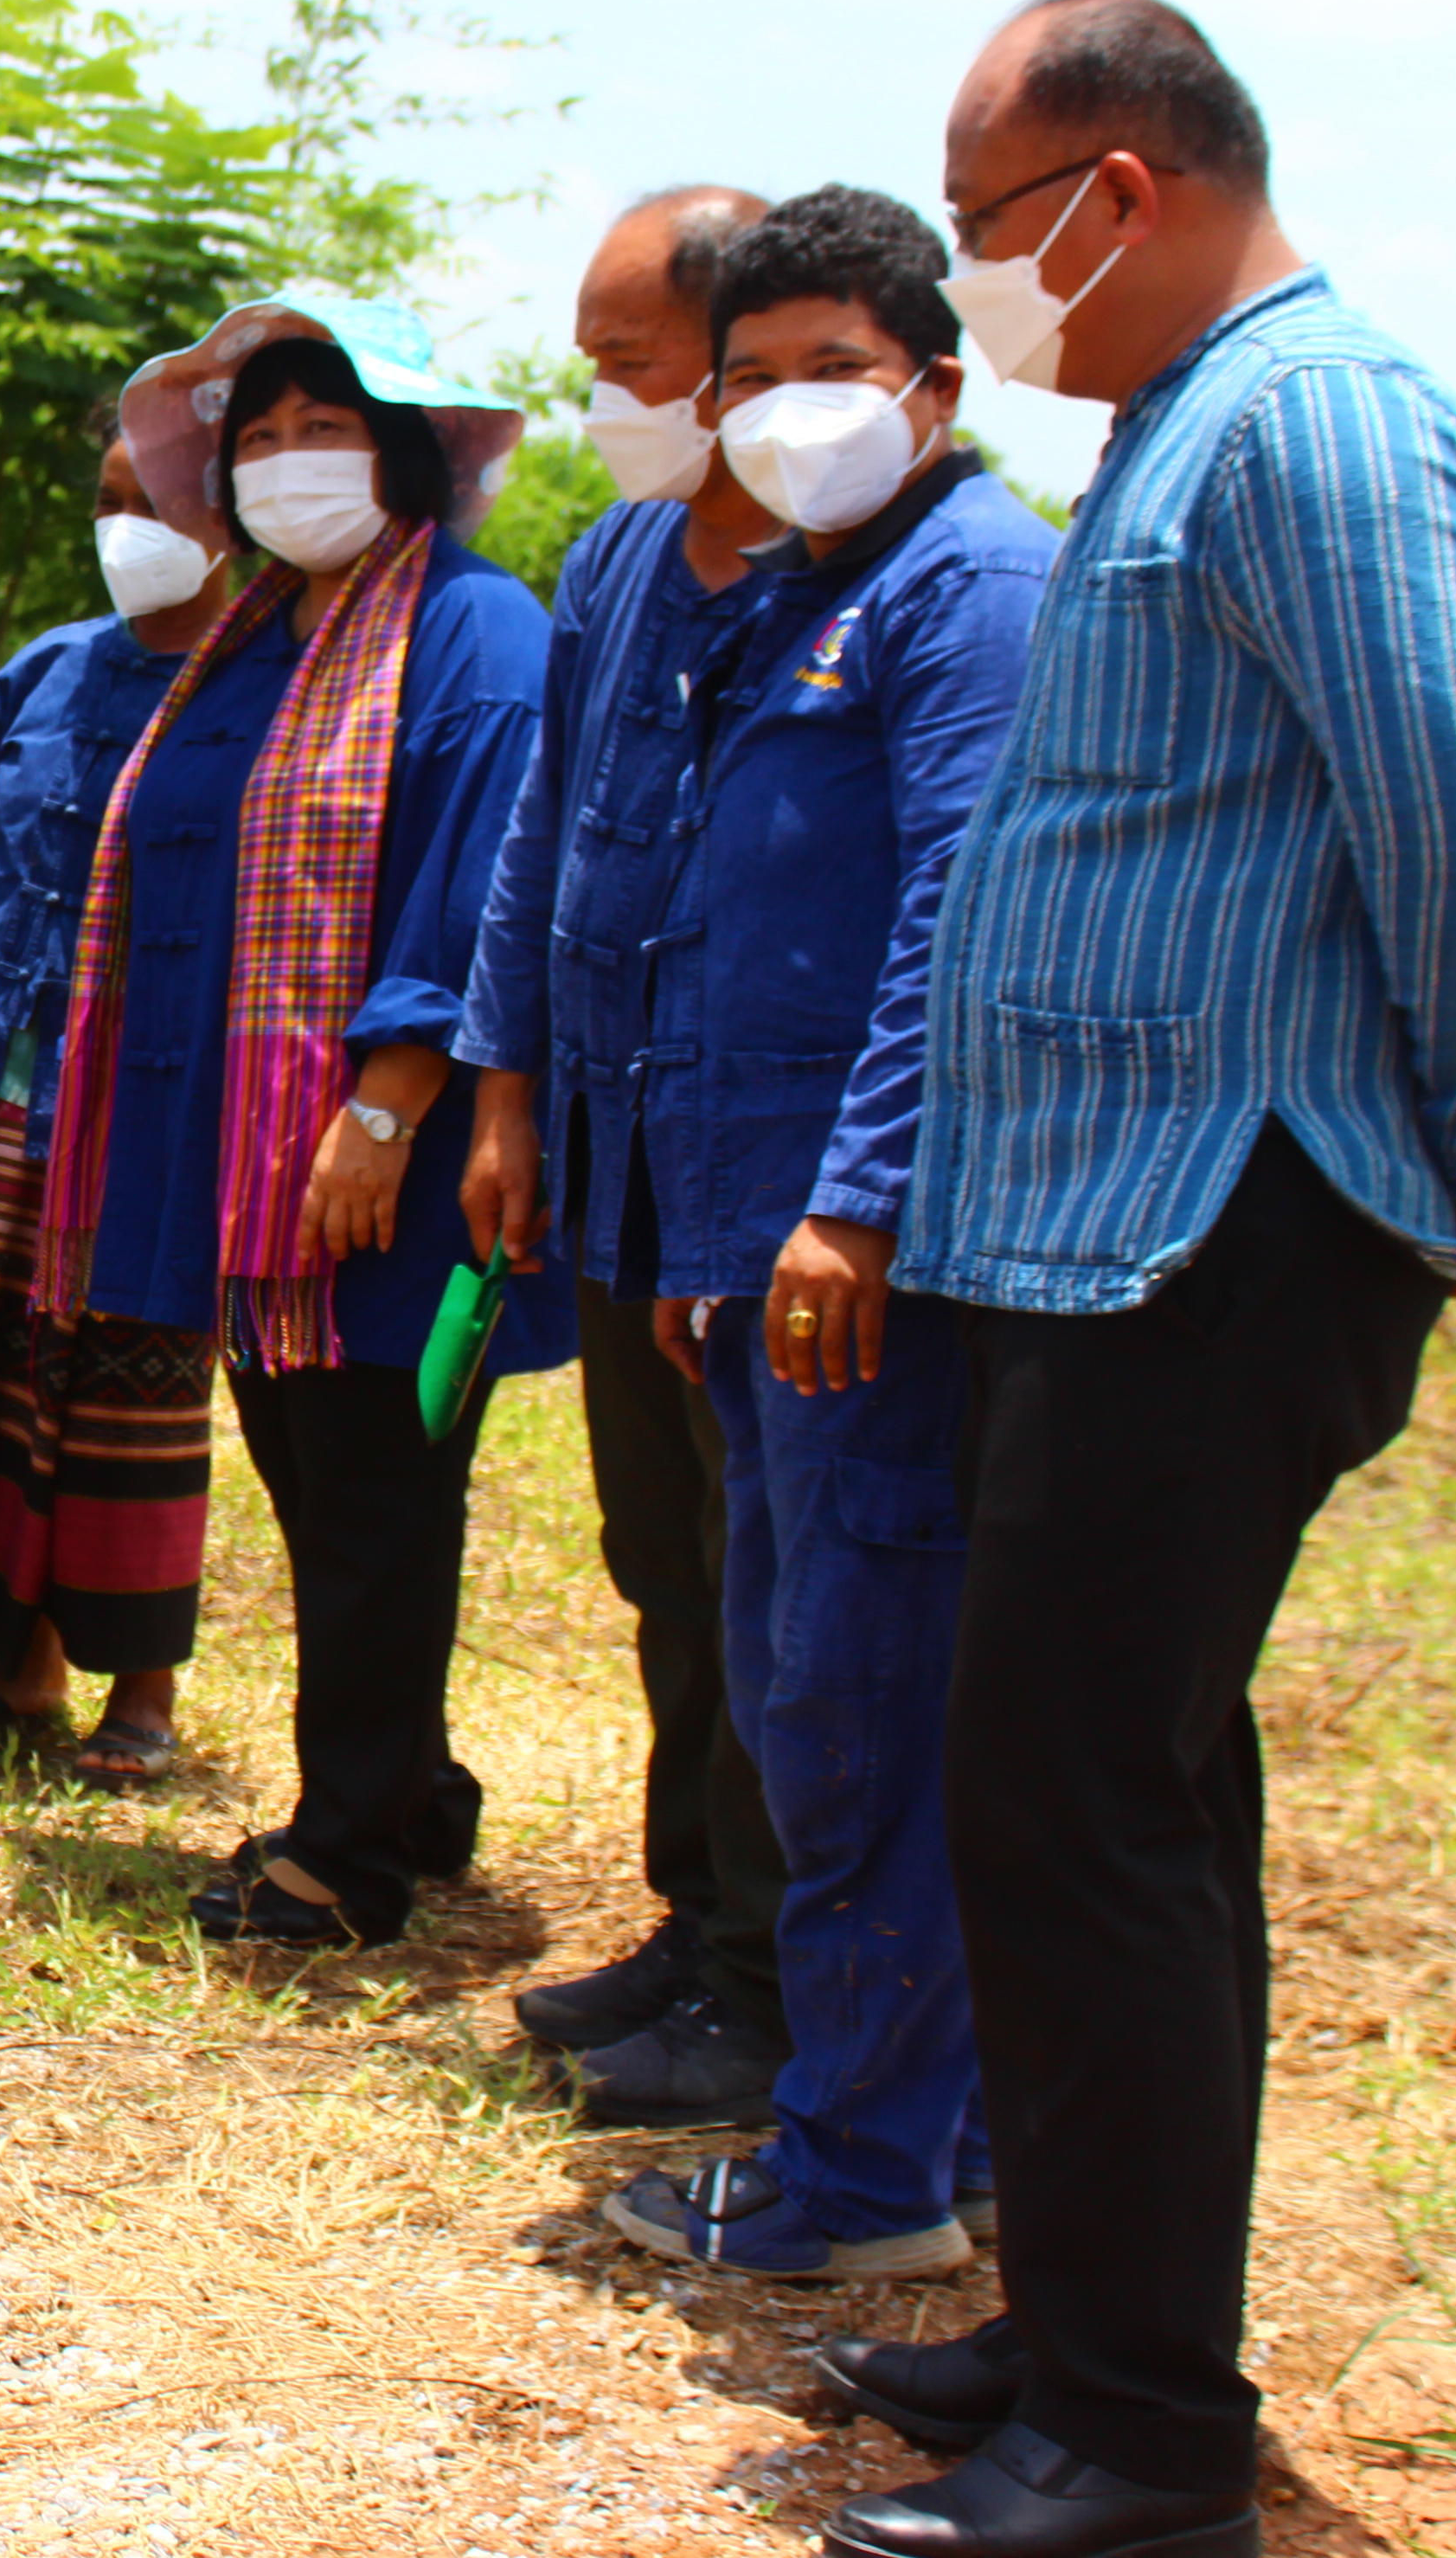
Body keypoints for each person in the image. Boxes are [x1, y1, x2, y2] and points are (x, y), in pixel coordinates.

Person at [812, 0, 1456, 2558]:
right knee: (1086, 1798)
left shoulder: (1314, 419)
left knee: (1086, 1804)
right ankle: (1085, 2319)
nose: (975, 284)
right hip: (1107, 1224)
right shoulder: (1179, 426)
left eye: (980, 226)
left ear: (1115, 194)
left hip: (1221, 1220)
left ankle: (1142, 2446)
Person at [541, 185, 1057, 2286]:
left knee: (854, 1705)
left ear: (932, 382)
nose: (779, 416)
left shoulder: (969, 589)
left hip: (870, 1262)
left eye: (828, 375)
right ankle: (906, 2134)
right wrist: (708, 1228)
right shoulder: (796, 594)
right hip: (748, 1240)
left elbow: (954, 914)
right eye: (744, 380)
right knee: (798, 1683)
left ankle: (870, 2177)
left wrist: (847, 1201)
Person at [38, 295, 574, 1947]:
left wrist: (392, 1100)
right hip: (246, 1143)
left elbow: (484, 885)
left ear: (402, 452)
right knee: (323, 1474)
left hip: (368, 1152)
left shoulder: (476, 634)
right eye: (257, 440)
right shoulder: (253, 632)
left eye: (321, 431)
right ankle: (411, 1785)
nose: (285, 466)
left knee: (373, 1489)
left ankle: (349, 1850)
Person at [455, 184, 802, 2131]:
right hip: (612, 1151)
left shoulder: (849, 579)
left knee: (777, 1581)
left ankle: (776, 1972)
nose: (604, 402)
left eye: (631, 366)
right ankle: (696, 1920)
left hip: (753, 1173)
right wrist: (506, 1099)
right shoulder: (614, 568)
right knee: (665, 1562)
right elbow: (540, 848)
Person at [0, 417, 235, 1786]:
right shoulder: (47, 672)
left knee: (135, 1376)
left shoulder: (257, 683)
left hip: (156, 1095)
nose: (125, 524)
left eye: (159, 502)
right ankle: (11, 1667)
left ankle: (142, 1685)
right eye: (109, 498)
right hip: (2, 1082)